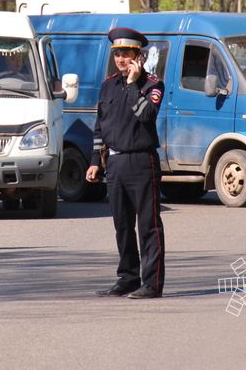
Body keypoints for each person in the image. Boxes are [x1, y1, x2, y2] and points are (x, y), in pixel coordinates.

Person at [87, 27, 166, 299]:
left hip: (142, 162)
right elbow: (100, 126)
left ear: (138, 56)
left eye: (126, 54)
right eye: (118, 54)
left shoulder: (152, 84)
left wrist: (134, 85)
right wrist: (95, 160)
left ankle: (152, 283)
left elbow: (147, 115)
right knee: (122, 225)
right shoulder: (108, 84)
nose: (121, 59)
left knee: (148, 225)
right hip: (115, 164)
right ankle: (128, 277)